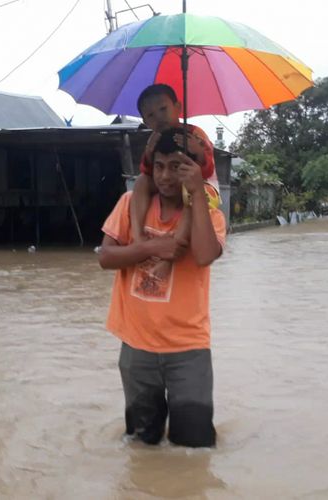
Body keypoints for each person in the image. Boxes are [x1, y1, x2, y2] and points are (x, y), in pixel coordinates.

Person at [97, 128, 226, 448]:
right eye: (159, 166)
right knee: (143, 442)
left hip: (188, 348)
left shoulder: (209, 214)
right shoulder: (130, 204)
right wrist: (150, 249)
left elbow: (206, 255)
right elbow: (106, 257)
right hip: (137, 346)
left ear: (193, 170)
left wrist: (197, 194)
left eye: (176, 166)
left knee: (194, 446)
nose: (166, 176)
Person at [130, 84, 221, 246]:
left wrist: (198, 151)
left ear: (178, 107)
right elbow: (148, 171)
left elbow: (208, 170)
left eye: (163, 109)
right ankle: (138, 235)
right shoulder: (154, 139)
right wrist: (149, 153)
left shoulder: (195, 134)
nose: (158, 117)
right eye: (151, 115)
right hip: (171, 184)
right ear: (145, 122)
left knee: (190, 199)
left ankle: (174, 249)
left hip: (199, 185)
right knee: (141, 181)